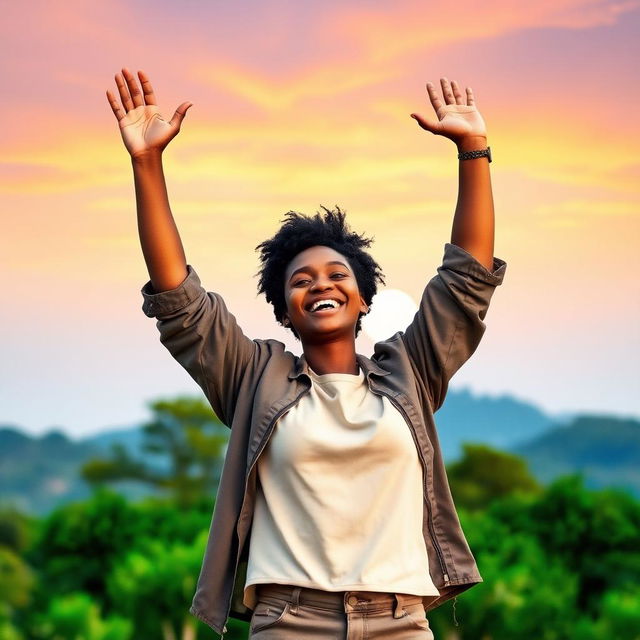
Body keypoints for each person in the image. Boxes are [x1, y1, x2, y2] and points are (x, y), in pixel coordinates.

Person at [106, 67, 507, 640]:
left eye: (337, 274)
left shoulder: (410, 371)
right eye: (301, 281)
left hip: (402, 620)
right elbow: (180, 303)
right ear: (283, 309)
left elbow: (466, 282)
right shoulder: (252, 377)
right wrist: (146, 163)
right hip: (291, 622)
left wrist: (473, 151)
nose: (320, 285)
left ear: (364, 298)